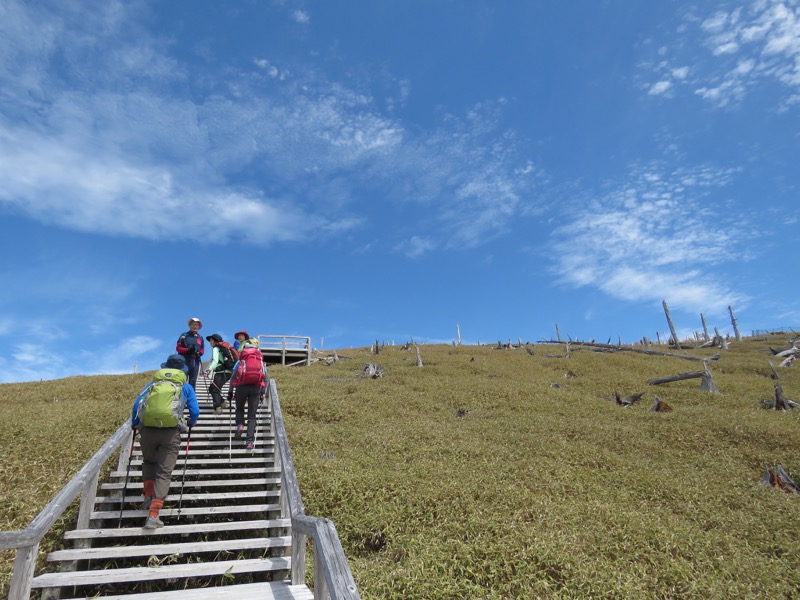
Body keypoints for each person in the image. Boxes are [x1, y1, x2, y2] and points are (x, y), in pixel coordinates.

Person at [131, 354, 200, 530]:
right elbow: (195, 410)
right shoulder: (185, 386)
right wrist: (191, 422)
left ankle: (147, 497)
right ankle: (153, 515)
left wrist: (135, 423)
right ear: (182, 369)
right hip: (171, 433)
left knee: (148, 462)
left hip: (147, 430)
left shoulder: (153, 384)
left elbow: (137, 404)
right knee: (164, 473)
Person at [229, 341, 267, 451]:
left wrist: (230, 392)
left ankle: (240, 425)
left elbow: (232, 378)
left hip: (241, 387)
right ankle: (249, 441)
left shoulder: (240, 361)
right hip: (256, 388)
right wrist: (263, 391)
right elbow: (265, 378)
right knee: (252, 416)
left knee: (239, 408)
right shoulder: (260, 361)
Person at [204, 333, 233, 414]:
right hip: (229, 373)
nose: (210, 342)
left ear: (214, 341)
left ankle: (217, 408)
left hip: (221, 372)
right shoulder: (224, 348)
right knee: (212, 388)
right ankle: (223, 403)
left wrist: (209, 369)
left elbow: (215, 361)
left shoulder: (216, 348)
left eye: (211, 340)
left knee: (215, 390)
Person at [176, 317, 204, 389]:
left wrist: (199, 353)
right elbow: (178, 348)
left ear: (199, 326)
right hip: (184, 360)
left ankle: (191, 398)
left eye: (197, 325)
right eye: (193, 324)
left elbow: (202, 349)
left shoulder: (200, 337)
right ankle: (181, 398)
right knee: (182, 379)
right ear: (190, 325)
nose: (195, 326)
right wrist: (187, 350)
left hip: (195, 361)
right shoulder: (184, 335)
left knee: (193, 381)